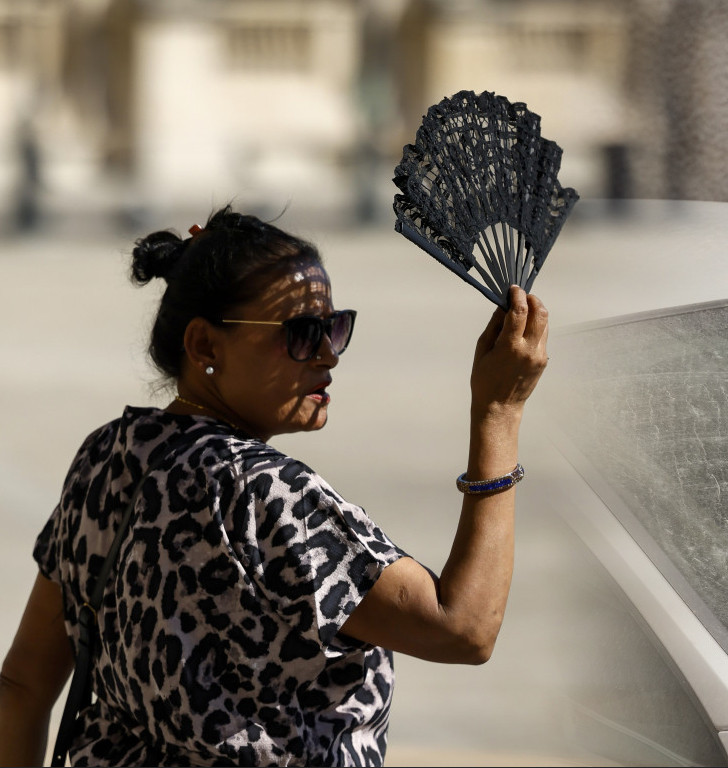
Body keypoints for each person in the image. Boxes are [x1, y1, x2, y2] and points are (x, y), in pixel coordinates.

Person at [0, 206, 549, 766]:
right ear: (205, 347)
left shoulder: (108, 456)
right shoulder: (262, 493)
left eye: (335, 327)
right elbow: (464, 628)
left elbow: (22, 686)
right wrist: (498, 414)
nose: (329, 355)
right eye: (301, 335)